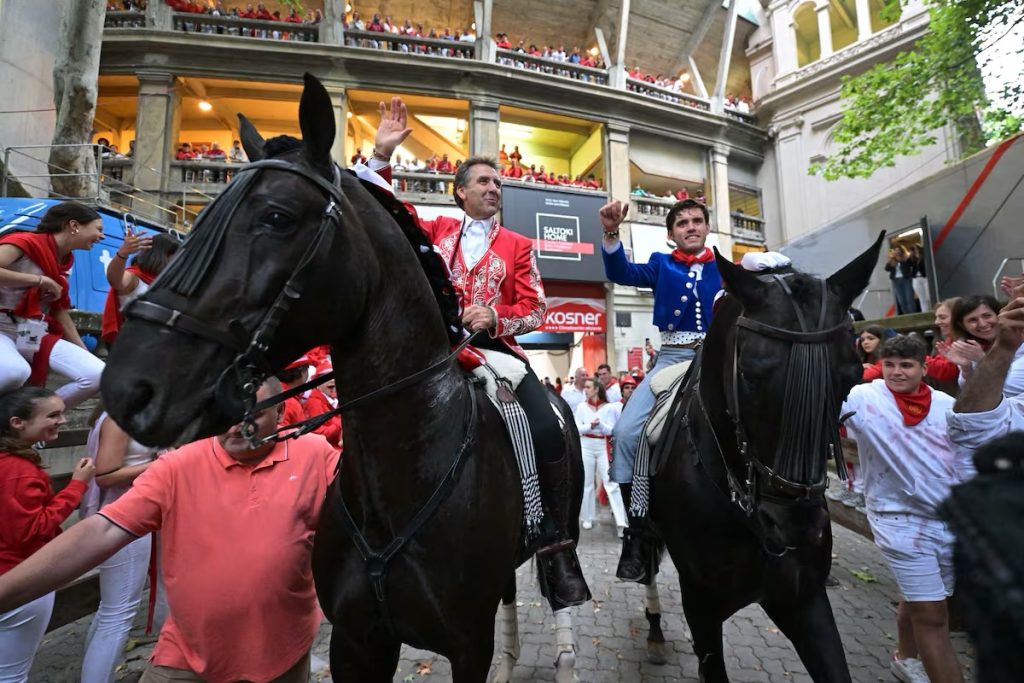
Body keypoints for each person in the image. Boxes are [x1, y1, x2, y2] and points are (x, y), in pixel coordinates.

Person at [367, 97, 590, 608]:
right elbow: (387, 213)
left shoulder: (518, 243)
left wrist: (496, 317)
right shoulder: (436, 231)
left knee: (549, 425)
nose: (494, 189)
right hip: (433, 351)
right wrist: (381, 155)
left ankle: (557, 545)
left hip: (498, 354)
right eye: (484, 182)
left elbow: (536, 311)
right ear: (460, 191)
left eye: (498, 183)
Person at [0, 379, 339, 683]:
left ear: (279, 410)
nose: (236, 427)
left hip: (285, 654)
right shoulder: (179, 465)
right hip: (186, 659)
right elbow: (100, 532)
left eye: (251, 415)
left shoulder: (313, 453)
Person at [599, 197, 720, 584]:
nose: (690, 226)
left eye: (697, 221)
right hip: (671, 359)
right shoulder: (660, 263)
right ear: (671, 234)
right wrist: (611, 232)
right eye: (682, 222)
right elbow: (621, 271)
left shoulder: (727, 268)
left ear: (706, 227)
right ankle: (637, 532)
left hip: (719, 359)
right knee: (626, 432)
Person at [841, 335, 972, 683]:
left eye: (906, 365)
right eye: (890, 365)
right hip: (895, 520)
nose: (897, 373)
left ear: (924, 368)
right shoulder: (862, 397)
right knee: (932, 615)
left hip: (948, 520)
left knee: (922, 599)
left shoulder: (947, 406)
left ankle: (905, 656)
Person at [0, 387, 95, 683]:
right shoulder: (19, 471)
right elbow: (32, 530)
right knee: (12, 674)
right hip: (21, 579)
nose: (63, 421)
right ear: (18, 423)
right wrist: (77, 486)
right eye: (53, 415)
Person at [79, 410, 165, 683]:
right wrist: (163, 463)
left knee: (113, 610)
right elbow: (105, 475)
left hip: (136, 511)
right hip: (121, 515)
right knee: (118, 613)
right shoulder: (120, 417)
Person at [0, 202, 105, 409]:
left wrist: (83, 350)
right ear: (74, 225)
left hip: (32, 331)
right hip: (2, 327)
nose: (101, 236)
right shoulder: (23, 242)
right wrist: (39, 280)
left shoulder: (66, 259)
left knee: (97, 374)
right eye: (98, 229)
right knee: (15, 372)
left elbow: (58, 309)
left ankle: (35, 417)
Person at [946, 280, 1024, 446]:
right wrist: (966, 367)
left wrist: (983, 359)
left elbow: (1007, 388)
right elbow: (972, 406)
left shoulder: (1015, 342)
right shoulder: (969, 347)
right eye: (973, 320)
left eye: (987, 316)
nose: (982, 324)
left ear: (1000, 315)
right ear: (962, 325)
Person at [101, 231, 180, 345]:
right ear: (164, 256)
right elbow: (115, 280)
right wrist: (122, 253)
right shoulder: (134, 277)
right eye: (176, 258)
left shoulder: (164, 284)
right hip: (131, 347)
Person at [573, 377, 627, 535]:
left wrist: (601, 426)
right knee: (587, 483)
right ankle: (587, 517)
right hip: (586, 445)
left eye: (588, 387)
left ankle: (621, 522)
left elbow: (612, 429)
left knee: (611, 483)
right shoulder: (581, 407)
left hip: (603, 445)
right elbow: (576, 428)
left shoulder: (609, 407)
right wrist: (590, 426)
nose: (586, 389)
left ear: (596, 389)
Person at [304, 361, 341, 449]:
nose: (332, 380)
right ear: (318, 384)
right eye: (327, 378)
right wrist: (340, 423)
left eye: (334, 377)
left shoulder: (335, 401)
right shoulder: (314, 403)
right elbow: (320, 434)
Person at [886, 245, 918, 315]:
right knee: (901, 301)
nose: (897, 252)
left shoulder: (906, 259)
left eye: (898, 250)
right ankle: (906, 316)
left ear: (902, 251)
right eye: (896, 250)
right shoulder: (893, 260)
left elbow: (913, 264)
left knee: (909, 299)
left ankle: (913, 315)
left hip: (906, 280)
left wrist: (904, 259)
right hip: (896, 281)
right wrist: (892, 260)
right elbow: (887, 268)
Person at [909, 245, 931, 312]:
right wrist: (911, 255)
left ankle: (931, 310)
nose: (915, 250)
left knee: (928, 296)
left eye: (916, 249)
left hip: (925, 278)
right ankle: (924, 312)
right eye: (913, 249)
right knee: (922, 298)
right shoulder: (912, 259)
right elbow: (907, 264)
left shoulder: (924, 257)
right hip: (916, 279)